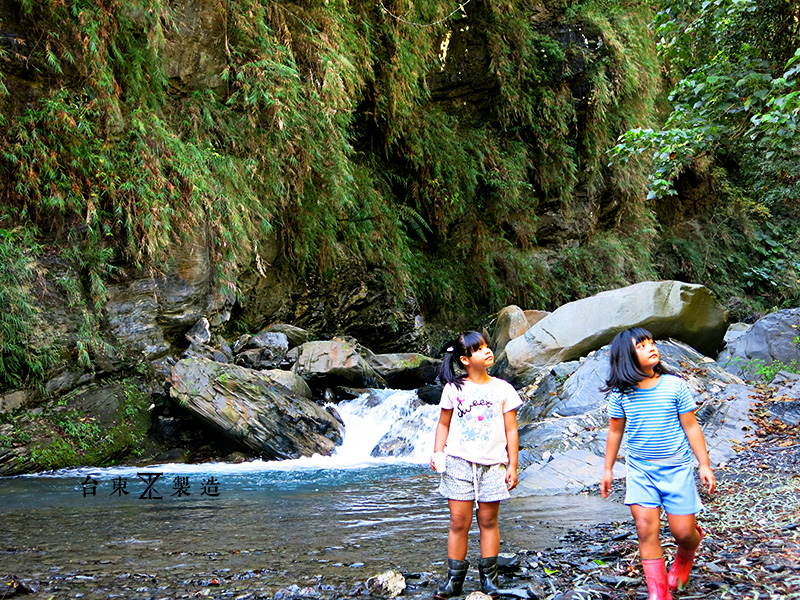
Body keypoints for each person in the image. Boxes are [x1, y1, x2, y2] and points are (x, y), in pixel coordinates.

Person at [600, 327, 716, 599]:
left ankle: (686, 555)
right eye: (641, 345)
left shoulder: (674, 385)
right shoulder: (621, 393)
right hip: (641, 470)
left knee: (683, 532)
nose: (651, 347)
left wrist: (704, 464)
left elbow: (691, 427)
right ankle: (659, 592)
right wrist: (607, 469)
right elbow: (615, 431)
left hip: (676, 467)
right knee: (644, 528)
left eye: (651, 342)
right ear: (626, 357)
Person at [431, 331, 522, 599]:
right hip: (458, 463)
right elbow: (443, 423)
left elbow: (512, 430)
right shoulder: (454, 389)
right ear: (464, 359)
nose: (487, 351)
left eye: (486, 346)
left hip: (493, 464)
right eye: (479, 349)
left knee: (488, 520)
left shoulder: (503, 388)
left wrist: (512, 465)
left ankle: (489, 580)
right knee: (459, 521)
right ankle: (454, 581)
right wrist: (438, 452)